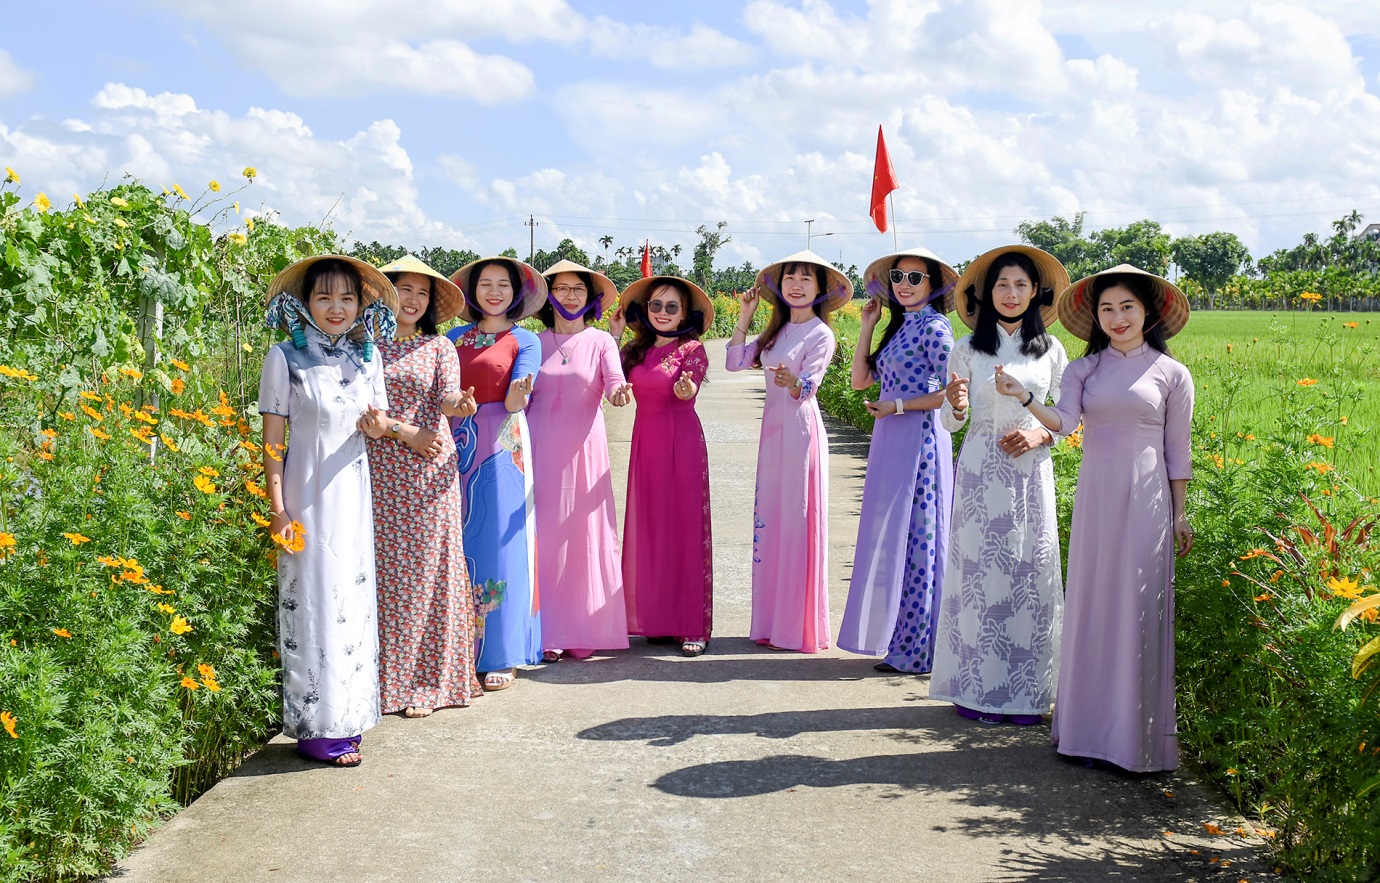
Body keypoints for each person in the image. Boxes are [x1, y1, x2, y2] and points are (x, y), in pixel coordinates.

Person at [994, 263, 1194, 772]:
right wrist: (1026, 398)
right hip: (1097, 497)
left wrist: (1181, 515)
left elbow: (1178, 452)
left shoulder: (1172, 375)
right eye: (1107, 308)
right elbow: (1064, 422)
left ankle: (1134, 743)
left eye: (1127, 306)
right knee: (1094, 603)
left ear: (1148, 312)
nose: (1117, 317)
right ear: (1095, 317)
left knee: (1138, 608)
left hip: (1149, 500)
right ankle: (1085, 735)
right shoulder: (1085, 370)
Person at [258, 254, 396, 767]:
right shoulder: (284, 358)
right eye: (324, 297)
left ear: (361, 304)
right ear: (306, 303)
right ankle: (316, 729)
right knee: (312, 601)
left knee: (350, 601)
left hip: (352, 497)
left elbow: (378, 422)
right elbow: (273, 441)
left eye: (346, 298)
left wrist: (378, 425)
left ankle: (351, 718)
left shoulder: (367, 357)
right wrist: (278, 508)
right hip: (305, 497)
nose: (336, 308)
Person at [927, 246, 1070, 723]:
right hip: (980, 470)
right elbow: (951, 422)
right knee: (981, 578)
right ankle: (978, 689)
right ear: (986, 294)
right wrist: (957, 402)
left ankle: (1030, 694)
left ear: (1036, 293)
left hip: (1031, 471)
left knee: (1031, 573)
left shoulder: (1051, 351)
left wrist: (1040, 433)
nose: (1011, 294)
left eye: (1021, 286)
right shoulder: (967, 348)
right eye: (1002, 285)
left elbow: (1071, 420)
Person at [356, 255, 481, 719]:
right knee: (384, 577)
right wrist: (403, 432)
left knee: (431, 572)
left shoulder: (439, 347)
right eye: (404, 289)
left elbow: (448, 397)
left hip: (430, 473)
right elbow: (359, 408)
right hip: (379, 471)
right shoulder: (361, 344)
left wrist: (461, 405)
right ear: (384, 294)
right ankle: (387, 683)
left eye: (422, 293)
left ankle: (430, 682)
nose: (412, 299)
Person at [837, 247, 958, 672]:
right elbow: (859, 380)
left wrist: (900, 406)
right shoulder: (900, 326)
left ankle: (918, 648)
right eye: (897, 277)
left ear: (934, 285)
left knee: (919, 540)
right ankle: (899, 641)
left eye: (914, 278)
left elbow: (954, 390)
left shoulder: (936, 327)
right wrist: (868, 325)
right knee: (892, 539)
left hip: (920, 438)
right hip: (890, 436)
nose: (904, 285)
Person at [727, 250, 851, 653]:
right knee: (773, 519)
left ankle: (796, 627)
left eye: (805, 279)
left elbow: (807, 389)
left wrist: (794, 380)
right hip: (772, 432)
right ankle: (770, 622)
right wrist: (745, 316)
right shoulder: (776, 331)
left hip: (800, 431)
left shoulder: (820, 334)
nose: (796, 284)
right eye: (789, 278)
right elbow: (734, 362)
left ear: (819, 290)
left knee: (797, 521)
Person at [445, 256, 548, 692]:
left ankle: (503, 652)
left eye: (502, 285)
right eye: (484, 284)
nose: (493, 292)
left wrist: (518, 394)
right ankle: (456, 650)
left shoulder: (525, 340)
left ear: (516, 292)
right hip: (454, 441)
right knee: (458, 541)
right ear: (471, 292)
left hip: (502, 443)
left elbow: (514, 401)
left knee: (503, 542)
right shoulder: (450, 339)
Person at [527, 259, 633, 662]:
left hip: (585, 450)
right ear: (547, 295)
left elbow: (615, 383)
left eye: (579, 289)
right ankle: (547, 628)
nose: (570, 295)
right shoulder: (533, 342)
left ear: (589, 297)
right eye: (562, 288)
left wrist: (621, 393)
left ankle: (583, 626)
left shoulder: (601, 341)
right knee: (545, 537)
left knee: (583, 535)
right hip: (538, 448)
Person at [609, 275, 714, 656]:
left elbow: (691, 386)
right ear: (645, 310)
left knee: (684, 528)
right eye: (656, 305)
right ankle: (657, 619)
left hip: (682, 445)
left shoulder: (692, 351)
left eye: (672, 307)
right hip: (645, 446)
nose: (663, 313)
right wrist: (615, 335)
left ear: (685, 313)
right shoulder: (635, 351)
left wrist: (687, 391)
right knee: (651, 528)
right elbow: (612, 379)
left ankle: (692, 626)